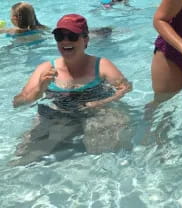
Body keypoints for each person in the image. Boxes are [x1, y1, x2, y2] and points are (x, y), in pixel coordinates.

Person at [11, 14, 132, 164]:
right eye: (59, 36)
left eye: (72, 36)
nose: (65, 41)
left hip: (97, 113)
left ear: (85, 39)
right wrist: (38, 90)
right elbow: (17, 103)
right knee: (24, 157)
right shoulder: (45, 69)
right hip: (57, 115)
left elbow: (125, 88)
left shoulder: (101, 65)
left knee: (106, 155)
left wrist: (101, 103)